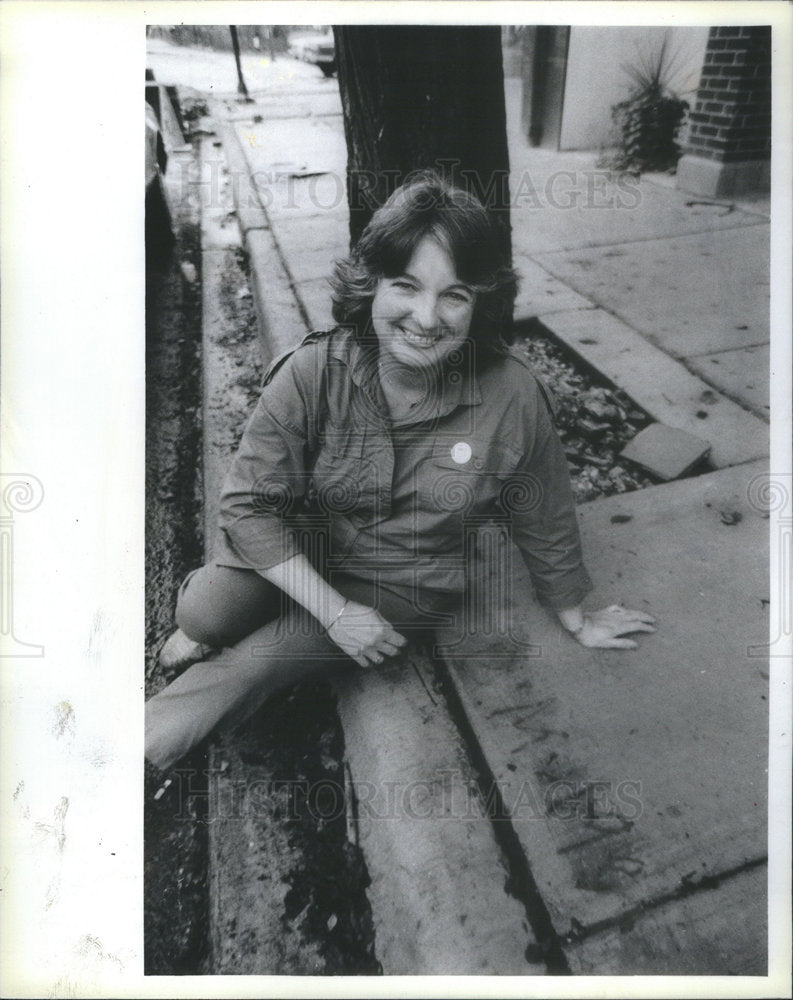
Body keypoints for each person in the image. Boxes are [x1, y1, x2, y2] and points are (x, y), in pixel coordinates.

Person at [145, 172, 655, 772]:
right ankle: (216, 626)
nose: (426, 316)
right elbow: (247, 506)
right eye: (406, 286)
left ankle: (105, 756)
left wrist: (576, 611)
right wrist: (334, 612)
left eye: (454, 295)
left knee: (259, 662)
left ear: (480, 303)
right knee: (204, 613)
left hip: (404, 579)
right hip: (306, 540)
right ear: (372, 286)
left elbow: (543, 510)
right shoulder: (314, 370)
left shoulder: (513, 396)